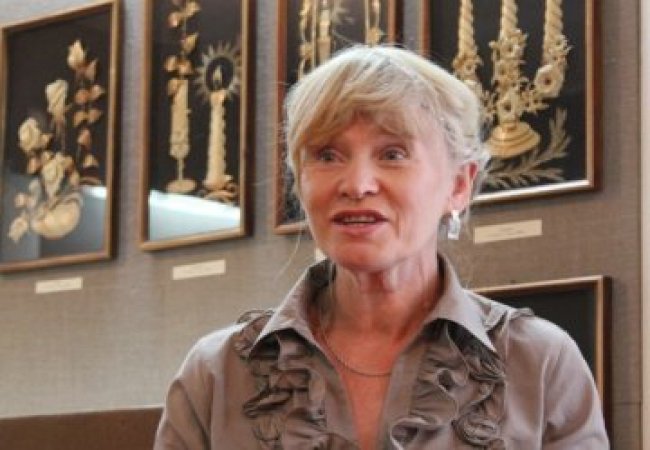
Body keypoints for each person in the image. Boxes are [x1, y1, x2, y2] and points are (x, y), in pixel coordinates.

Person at [154, 45, 609, 449]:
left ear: (458, 185)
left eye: (393, 154)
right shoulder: (216, 375)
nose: (357, 184)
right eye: (327, 155)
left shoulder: (540, 364)